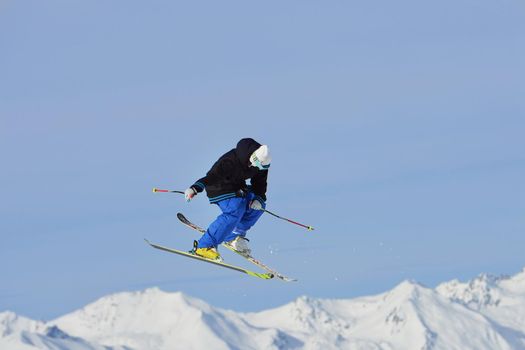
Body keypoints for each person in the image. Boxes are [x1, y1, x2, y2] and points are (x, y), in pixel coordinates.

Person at [184, 138, 271, 261]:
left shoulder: (262, 163)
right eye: (257, 165)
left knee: (257, 207)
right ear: (253, 158)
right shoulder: (229, 162)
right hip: (218, 187)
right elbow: (212, 177)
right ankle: (203, 246)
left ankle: (233, 236)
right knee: (235, 209)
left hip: (237, 187)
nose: (258, 168)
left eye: (262, 167)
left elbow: (260, 183)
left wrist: (259, 198)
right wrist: (195, 187)